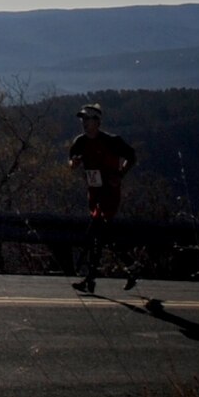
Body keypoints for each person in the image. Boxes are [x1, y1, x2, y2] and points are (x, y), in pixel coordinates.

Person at [68, 102, 138, 293]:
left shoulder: (112, 141)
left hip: (109, 193)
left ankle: (91, 279)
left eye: (87, 119)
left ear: (96, 122)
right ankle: (130, 267)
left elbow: (131, 156)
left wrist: (120, 175)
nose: (83, 123)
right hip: (94, 192)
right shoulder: (80, 141)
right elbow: (72, 160)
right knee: (101, 236)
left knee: (96, 233)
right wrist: (73, 163)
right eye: (82, 119)